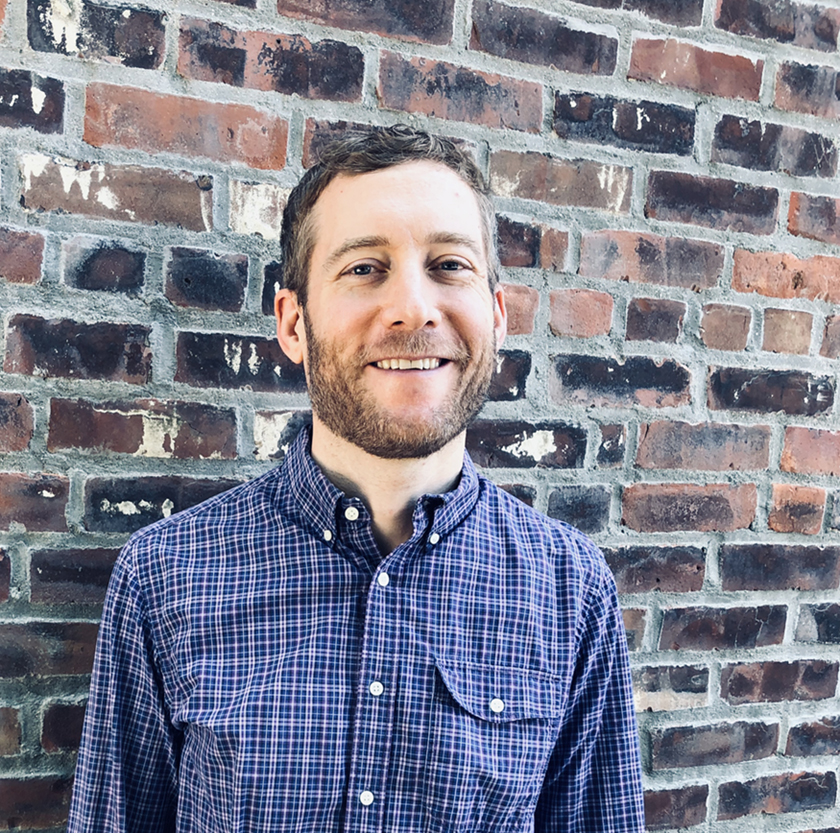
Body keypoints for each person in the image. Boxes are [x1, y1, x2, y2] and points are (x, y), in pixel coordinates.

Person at [67, 125, 645, 832]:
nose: (412, 307)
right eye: (365, 267)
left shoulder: (570, 590)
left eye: (449, 265)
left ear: (496, 317)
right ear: (293, 322)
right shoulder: (167, 577)